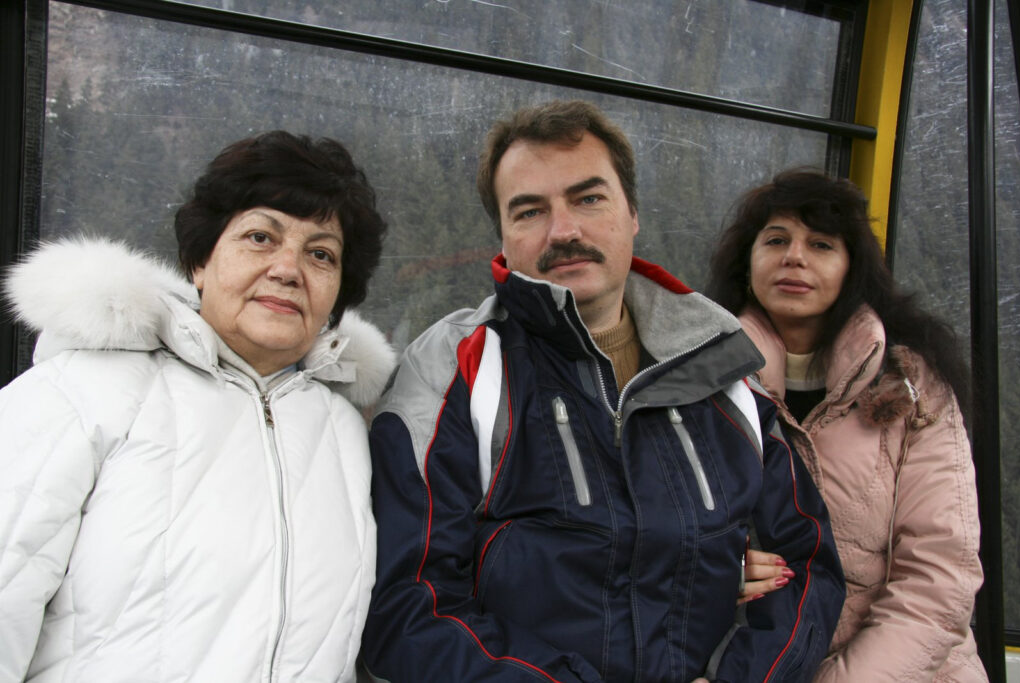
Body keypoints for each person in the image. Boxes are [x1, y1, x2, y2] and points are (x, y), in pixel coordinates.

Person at [360, 100, 845, 682]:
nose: (564, 231)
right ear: (503, 237)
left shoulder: (720, 370)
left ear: (632, 214)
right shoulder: (457, 370)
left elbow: (806, 565)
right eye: (530, 211)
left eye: (588, 199)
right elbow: (409, 609)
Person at [0, 131, 395, 682]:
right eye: (260, 237)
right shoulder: (82, 394)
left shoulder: (347, 434)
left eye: (321, 254)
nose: (288, 269)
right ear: (200, 261)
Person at [707, 168, 986, 681]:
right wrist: (714, 572)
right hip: (754, 663)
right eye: (776, 240)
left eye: (821, 244)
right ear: (747, 265)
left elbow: (938, 578)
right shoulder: (699, 384)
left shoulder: (911, 386)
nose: (795, 257)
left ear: (851, 271)